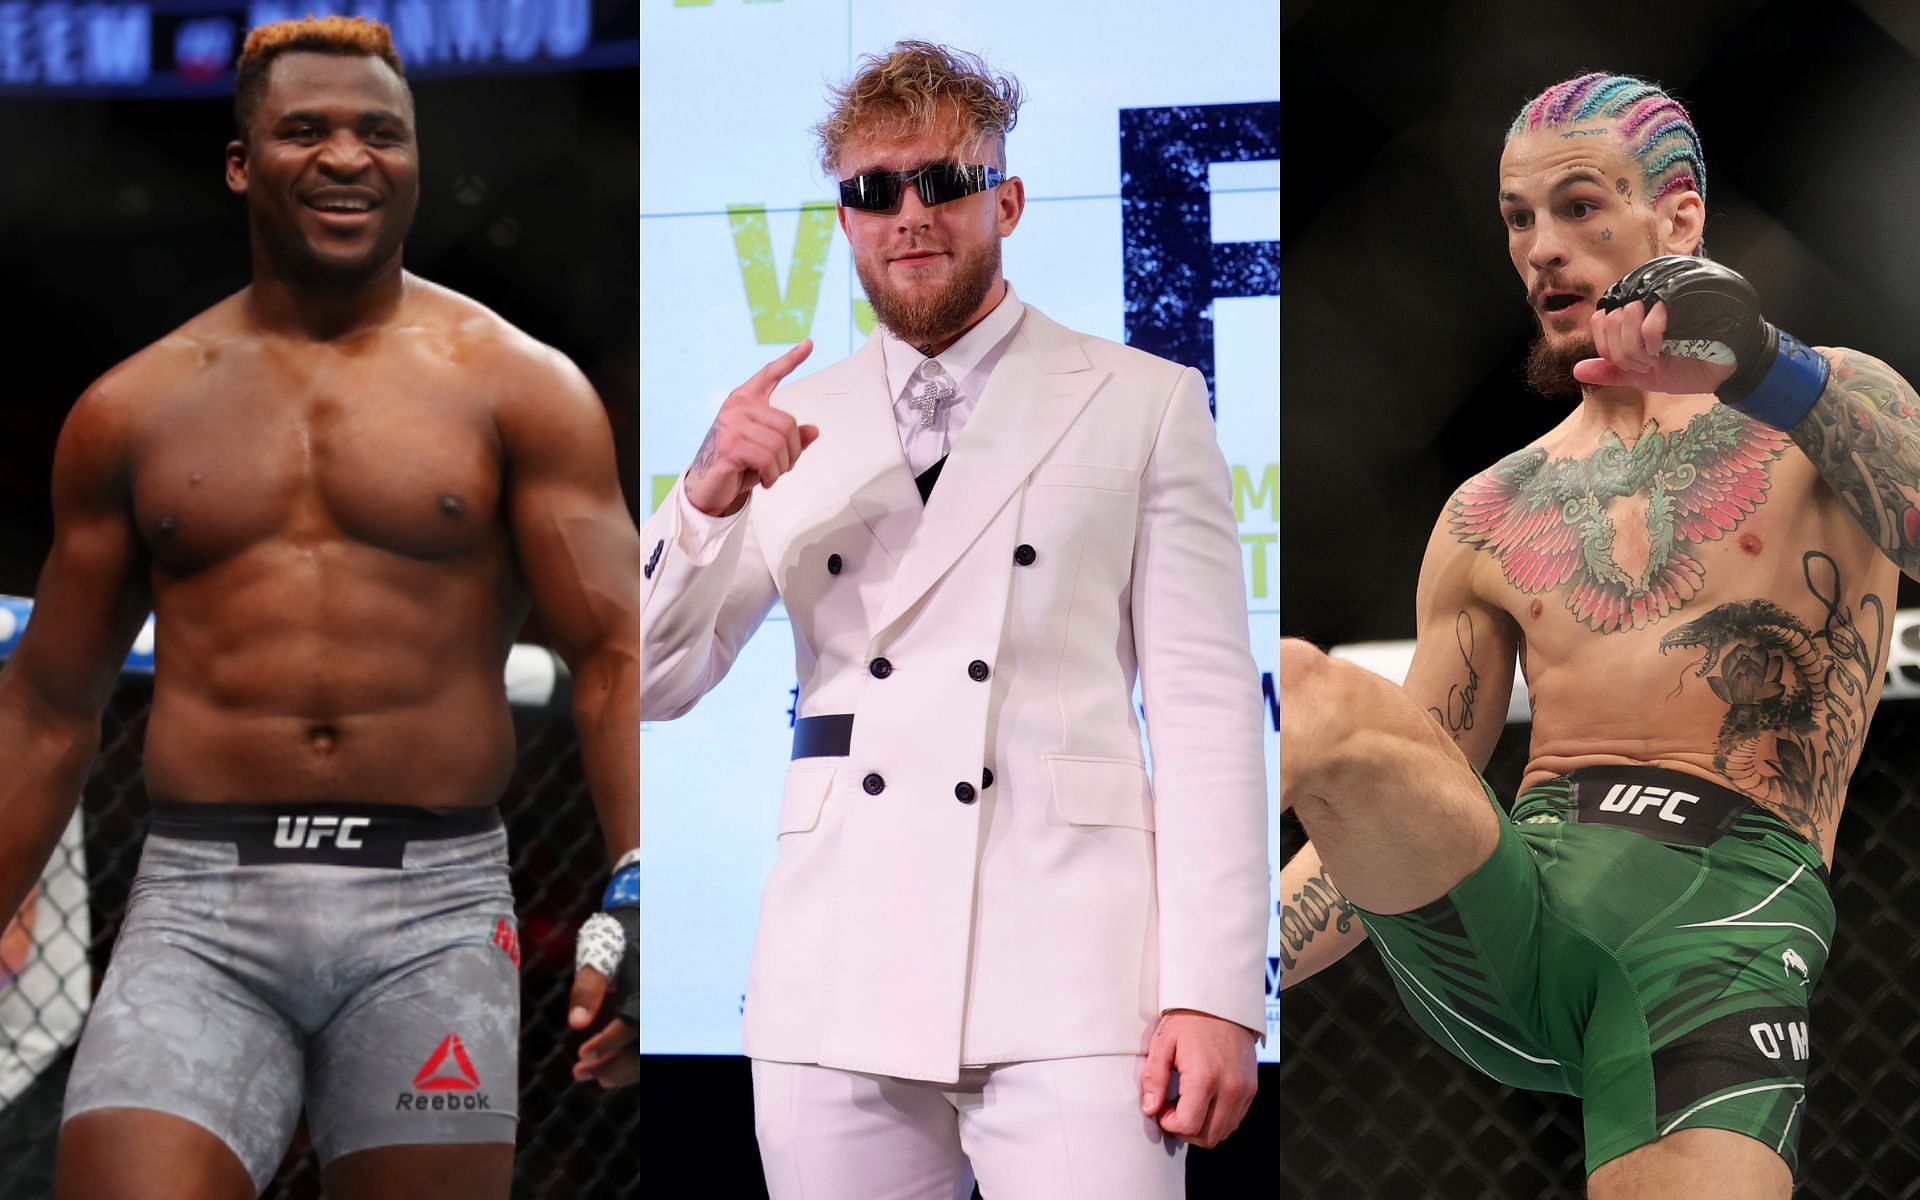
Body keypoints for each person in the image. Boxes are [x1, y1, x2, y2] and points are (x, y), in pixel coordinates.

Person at [0, 16, 639, 1199]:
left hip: (433, 910)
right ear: (242, 162)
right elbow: (45, 703)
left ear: (413, 159)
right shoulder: (133, 410)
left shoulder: (522, 389)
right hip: (201, 906)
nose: (348, 155)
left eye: (379, 133)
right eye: (306, 130)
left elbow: (612, 654)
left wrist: (643, 884)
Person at [640, 39, 1268, 1199]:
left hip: (1075, 966)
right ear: (844, 219)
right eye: (875, 192)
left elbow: (1208, 716)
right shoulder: (785, 426)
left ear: (1008, 201)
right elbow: (649, 684)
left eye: (943, 181)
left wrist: (1215, 988)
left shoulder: (1142, 399)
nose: (909, 215)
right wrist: (703, 496)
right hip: (835, 966)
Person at [1280, 71, 1920, 1197]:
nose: (1540, 248)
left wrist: (1762, 361)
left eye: (1578, 207)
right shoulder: (1491, 509)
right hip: (1514, 908)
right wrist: (1215, 979)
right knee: (1316, 697)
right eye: (1518, 219)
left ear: (1679, 219)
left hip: (1719, 924)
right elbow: (1406, 777)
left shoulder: (1830, 409)